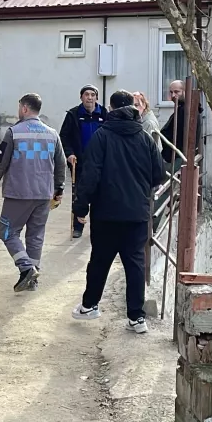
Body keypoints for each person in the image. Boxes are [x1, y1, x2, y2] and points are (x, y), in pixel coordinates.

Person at [70, 91, 166, 333]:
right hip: (137, 214)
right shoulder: (145, 138)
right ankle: (137, 318)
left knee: (100, 261)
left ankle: (90, 306)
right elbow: (159, 175)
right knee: (135, 264)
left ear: (111, 109)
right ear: (133, 108)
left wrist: (80, 208)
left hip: (106, 214)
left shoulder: (101, 137)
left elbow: (89, 176)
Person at [0, 93, 66, 293]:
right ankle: (33, 278)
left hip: (18, 193)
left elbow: (0, 163)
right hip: (43, 194)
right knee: (36, 236)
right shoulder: (52, 134)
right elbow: (61, 164)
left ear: (24, 108)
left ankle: (26, 268)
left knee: (7, 232)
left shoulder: (14, 132)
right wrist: (59, 189)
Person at [59, 84, 106, 239]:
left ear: (97, 98)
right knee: (79, 195)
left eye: (93, 94)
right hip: (79, 163)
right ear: (81, 97)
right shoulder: (73, 115)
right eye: (86, 94)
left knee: (100, 196)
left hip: (100, 163)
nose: (90, 97)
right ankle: (77, 227)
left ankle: (98, 227)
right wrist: (69, 154)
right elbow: (64, 137)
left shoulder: (104, 114)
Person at [160, 79, 202, 168]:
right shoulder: (182, 108)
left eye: (176, 92)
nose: (173, 95)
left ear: (185, 92)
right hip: (175, 156)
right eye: (171, 92)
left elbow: (185, 137)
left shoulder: (187, 110)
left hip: (180, 158)